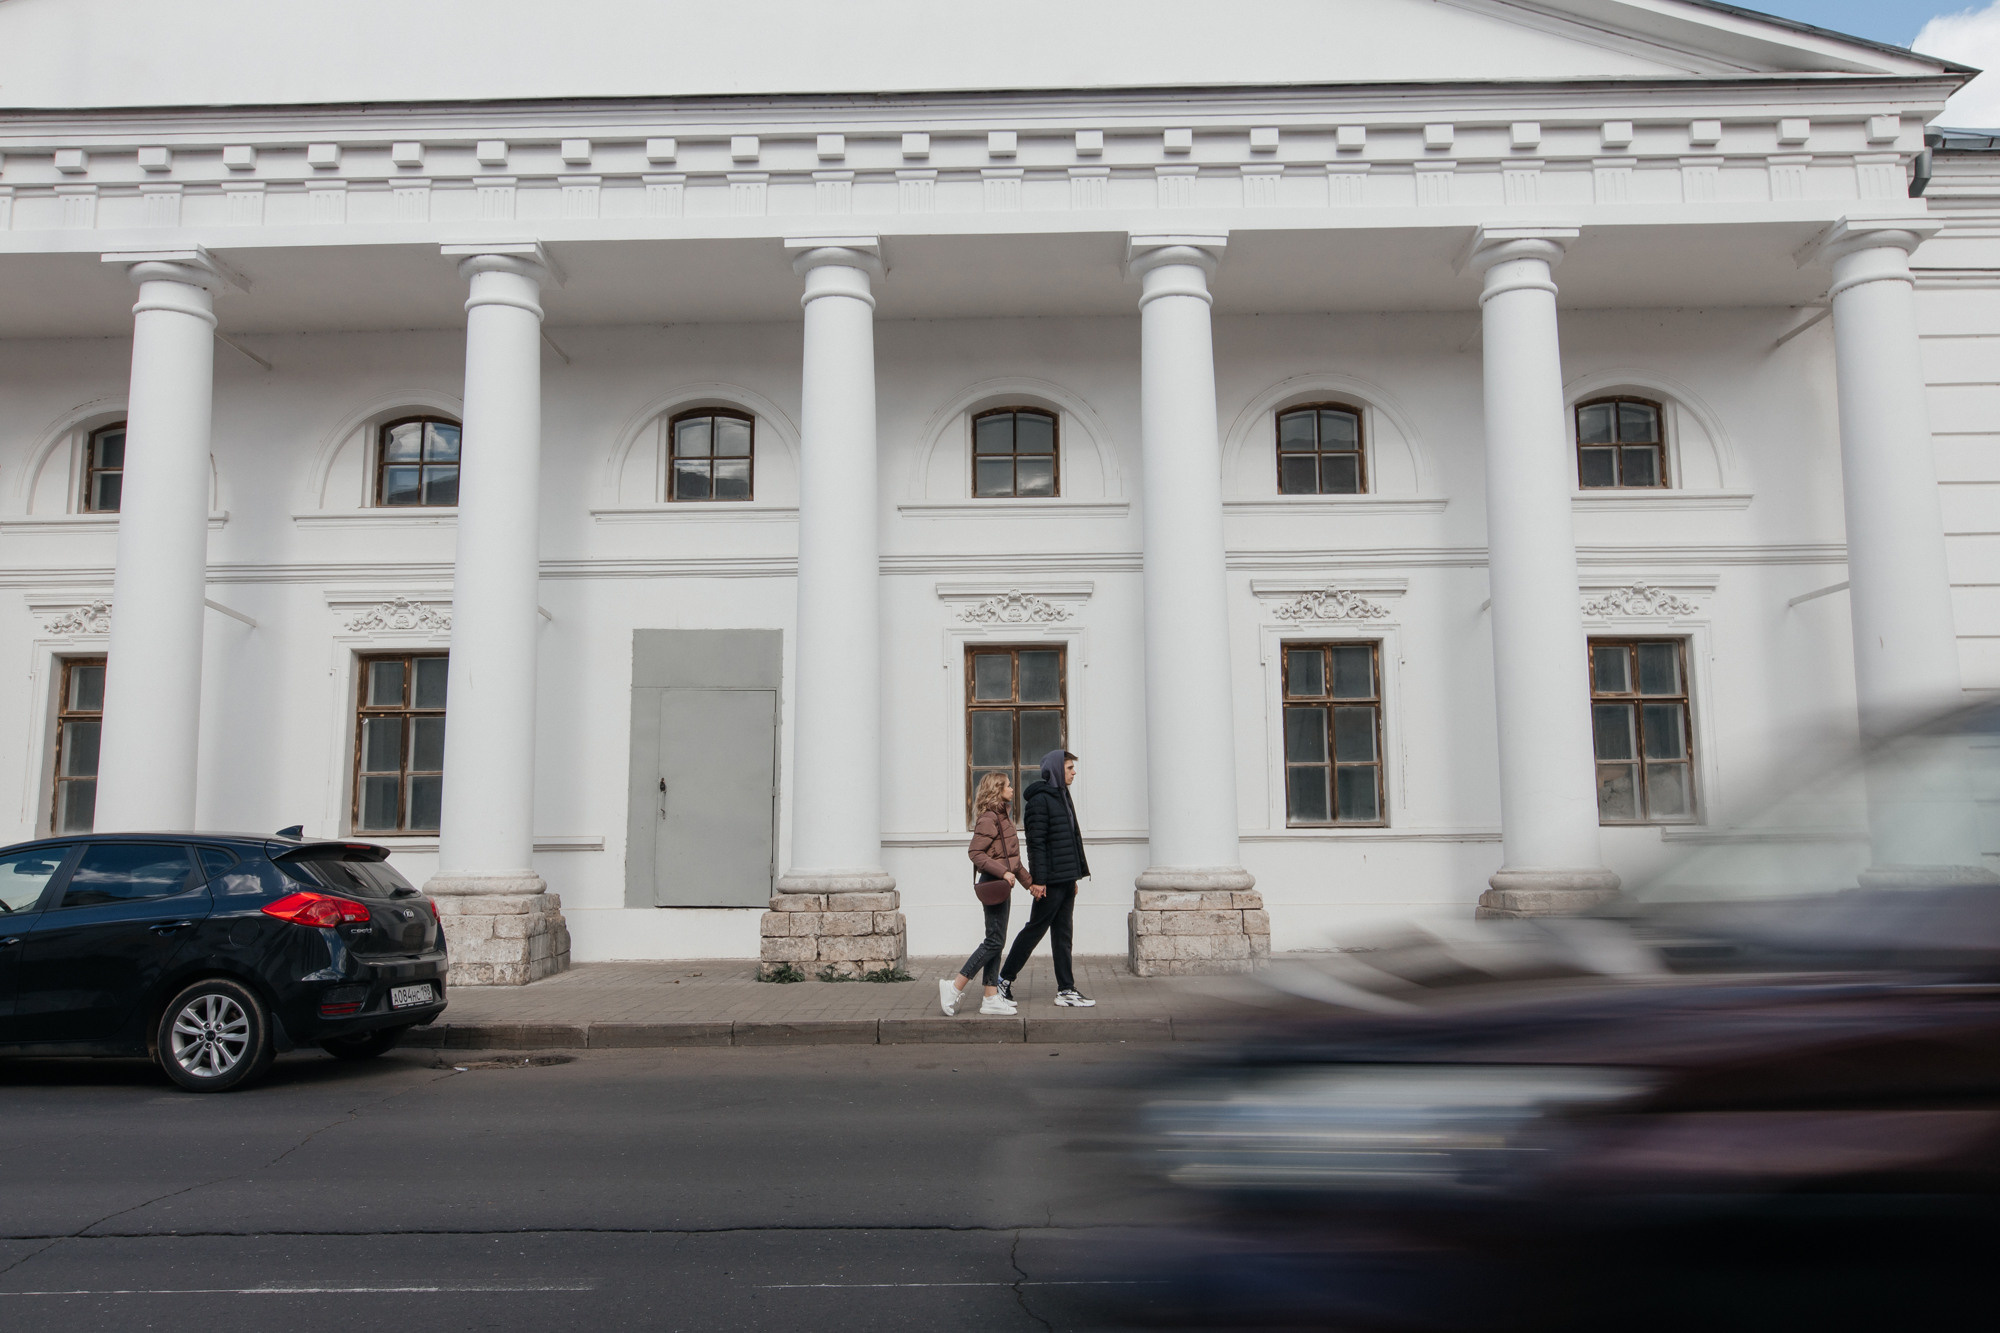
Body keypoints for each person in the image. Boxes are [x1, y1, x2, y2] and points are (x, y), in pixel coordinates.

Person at [996, 749, 1096, 1008]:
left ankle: (1066, 990)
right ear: (1055, 770)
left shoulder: (1063, 796)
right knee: (1035, 930)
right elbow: (1036, 843)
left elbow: (1070, 839)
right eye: (1069, 768)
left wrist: (1074, 876)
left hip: (1064, 878)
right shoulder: (1040, 801)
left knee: (1063, 934)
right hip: (1049, 881)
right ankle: (1003, 979)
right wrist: (1038, 881)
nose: (1074, 772)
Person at [941, 772, 1027, 1017]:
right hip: (994, 882)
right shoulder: (989, 819)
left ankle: (990, 996)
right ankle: (955, 986)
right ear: (997, 789)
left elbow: (1014, 861)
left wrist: (1030, 885)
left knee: (997, 940)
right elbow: (976, 854)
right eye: (1008, 785)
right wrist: (1002, 873)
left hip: (1002, 882)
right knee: (993, 941)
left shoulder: (1002, 817)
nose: (1012, 789)